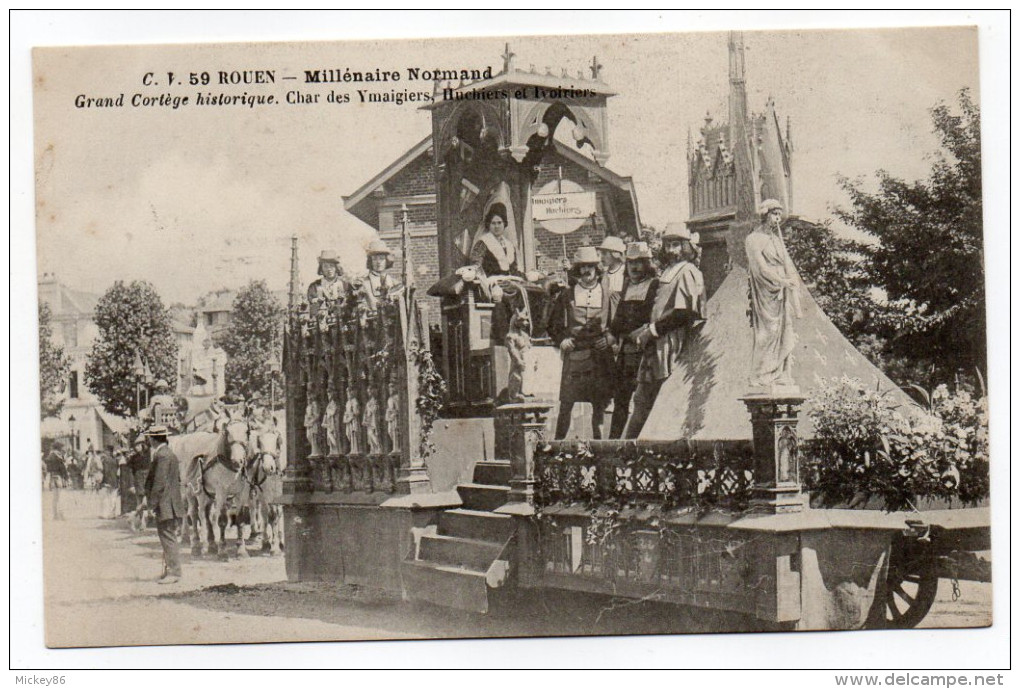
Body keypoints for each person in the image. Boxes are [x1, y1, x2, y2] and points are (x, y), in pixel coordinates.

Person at [623, 224, 706, 439]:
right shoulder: (669, 271)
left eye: (676, 244)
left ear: (686, 246)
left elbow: (684, 312)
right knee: (642, 400)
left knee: (658, 400)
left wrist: (652, 330)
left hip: (671, 343)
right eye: (668, 244)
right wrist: (647, 328)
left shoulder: (688, 271)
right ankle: (628, 450)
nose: (671, 250)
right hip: (657, 342)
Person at [547, 246, 613, 440]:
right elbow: (552, 325)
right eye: (582, 267)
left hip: (600, 356)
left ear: (596, 268)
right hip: (575, 355)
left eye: (590, 267)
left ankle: (600, 454)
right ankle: (557, 449)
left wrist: (609, 338)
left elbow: (616, 323)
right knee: (566, 404)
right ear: (577, 270)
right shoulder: (568, 295)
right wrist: (562, 340)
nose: (586, 271)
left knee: (599, 406)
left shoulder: (607, 294)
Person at [604, 242, 659, 438]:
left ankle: (637, 445)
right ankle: (613, 445)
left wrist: (643, 330)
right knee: (620, 401)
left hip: (645, 353)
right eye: (631, 263)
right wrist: (611, 332)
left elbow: (655, 316)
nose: (634, 268)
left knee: (642, 402)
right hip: (625, 353)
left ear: (647, 264)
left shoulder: (655, 285)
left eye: (639, 263)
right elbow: (618, 317)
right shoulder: (627, 286)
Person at [745, 199, 802, 388]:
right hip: (766, 292)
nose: (777, 219)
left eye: (779, 215)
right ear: (765, 215)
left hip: (781, 293)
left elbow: (787, 266)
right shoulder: (753, 239)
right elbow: (761, 269)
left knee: (784, 330)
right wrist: (783, 281)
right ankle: (761, 373)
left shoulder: (777, 240)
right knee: (768, 332)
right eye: (774, 214)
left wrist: (791, 283)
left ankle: (781, 374)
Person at [143, 425, 185, 584]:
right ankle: (170, 570)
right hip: (171, 502)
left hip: (165, 504)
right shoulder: (169, 454)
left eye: (149, 438)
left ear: (152, 439)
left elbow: (159, 483)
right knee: (167, 536)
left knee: (168, 537)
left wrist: (151, 506)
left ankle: (174, 572)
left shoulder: (162, 455)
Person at [470, 203, 519, 278]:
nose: (497, 226)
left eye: (499, 223)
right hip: (490, 283)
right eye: (493, 223)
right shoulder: (483, 243)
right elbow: (476, 266)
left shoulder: (509, 245)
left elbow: (514, 270)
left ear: (504, 224)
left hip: (509, 282)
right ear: (489, 225)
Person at [360, 239, 399, 310]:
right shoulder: (364, 283)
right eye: (374, 259)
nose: (378, 262)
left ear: (386, 260)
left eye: (381, 259)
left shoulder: (394, 282)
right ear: (370, 261)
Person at [100, 445, 120, 519]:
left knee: (106, 498)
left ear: (108, 451)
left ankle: (105, 514)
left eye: (106, 451)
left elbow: (106, 471)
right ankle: (113, 514)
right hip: (114, 480)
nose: (105, 452)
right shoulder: (115, 460)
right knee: (113, 498)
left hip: (108, 480)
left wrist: (104, 481)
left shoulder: (106, 460)